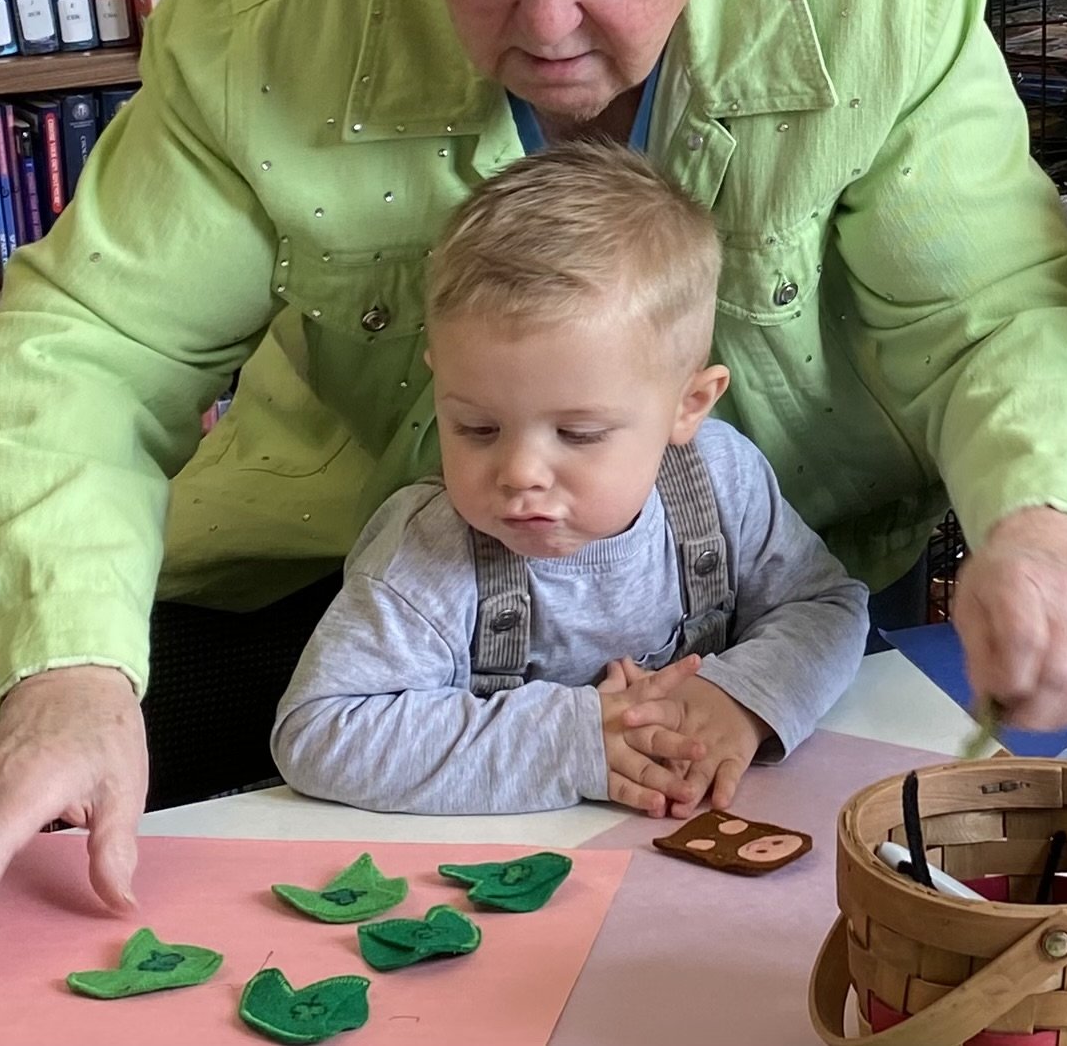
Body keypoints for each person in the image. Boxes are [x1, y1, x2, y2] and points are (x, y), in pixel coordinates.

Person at [0, 0, 1067, 969]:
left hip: (741, 620)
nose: (546, 21)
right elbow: (96, 344)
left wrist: (1048, 528)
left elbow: (991, 313)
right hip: (347, 607)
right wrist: (67, 672)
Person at [271, 143, 868, 817]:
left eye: (579, 435)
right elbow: (319, 731)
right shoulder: (427, 552)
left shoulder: (722, 483)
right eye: (476, 428)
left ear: (688, 407)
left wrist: (742, 698)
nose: (520, 474)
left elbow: (826, 607)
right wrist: (573, 740)